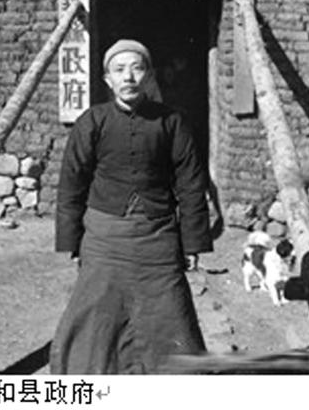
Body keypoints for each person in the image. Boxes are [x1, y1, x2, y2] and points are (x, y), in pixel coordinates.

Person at [50, 39, 213, 374]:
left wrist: (192, 242)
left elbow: (191, 185)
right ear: (107, 79)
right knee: (97, 315)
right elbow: (71, 184)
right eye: (119, 70)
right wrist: (72, 241)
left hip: (157, 238)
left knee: (169, 313)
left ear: (149, 75)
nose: (128, 77)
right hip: (105, 238)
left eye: (137, 68)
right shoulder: (92, 121)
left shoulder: (172, 122)